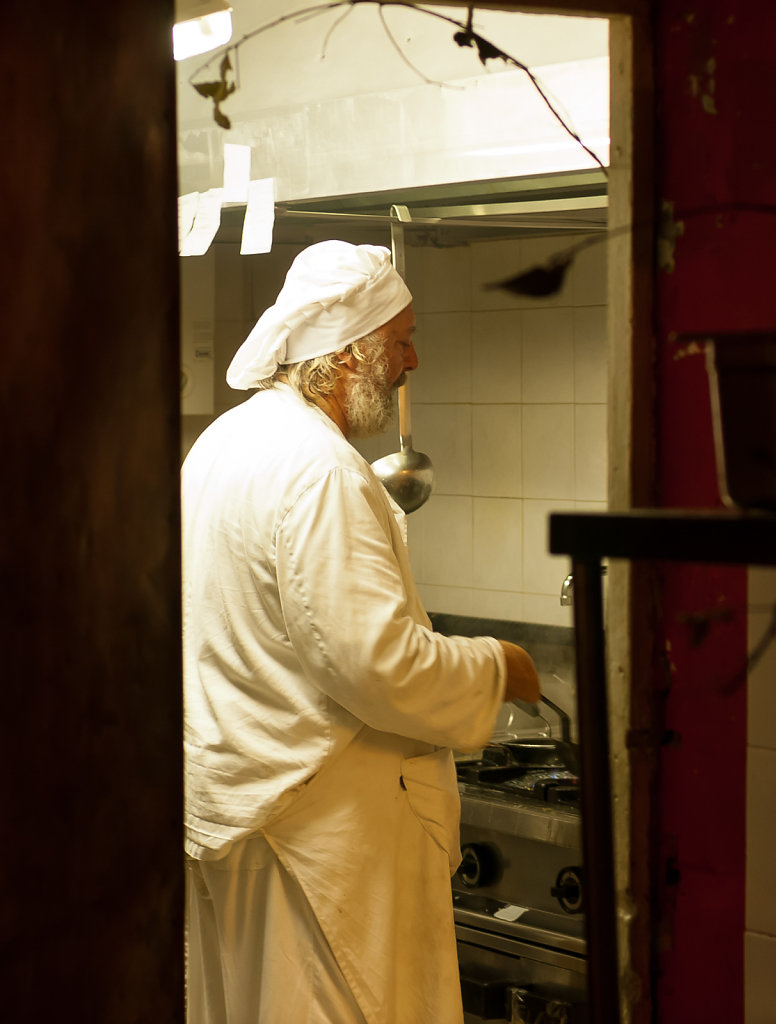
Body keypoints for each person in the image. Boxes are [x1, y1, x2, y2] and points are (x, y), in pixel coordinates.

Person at [181, 240, 541, 1024]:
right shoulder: (321, 470)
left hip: (244, 817)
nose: (413, 360)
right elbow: (377, 666)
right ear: (349, 354)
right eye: (402, 339)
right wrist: (496, 666)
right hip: (317, 840)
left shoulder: (222, 445)